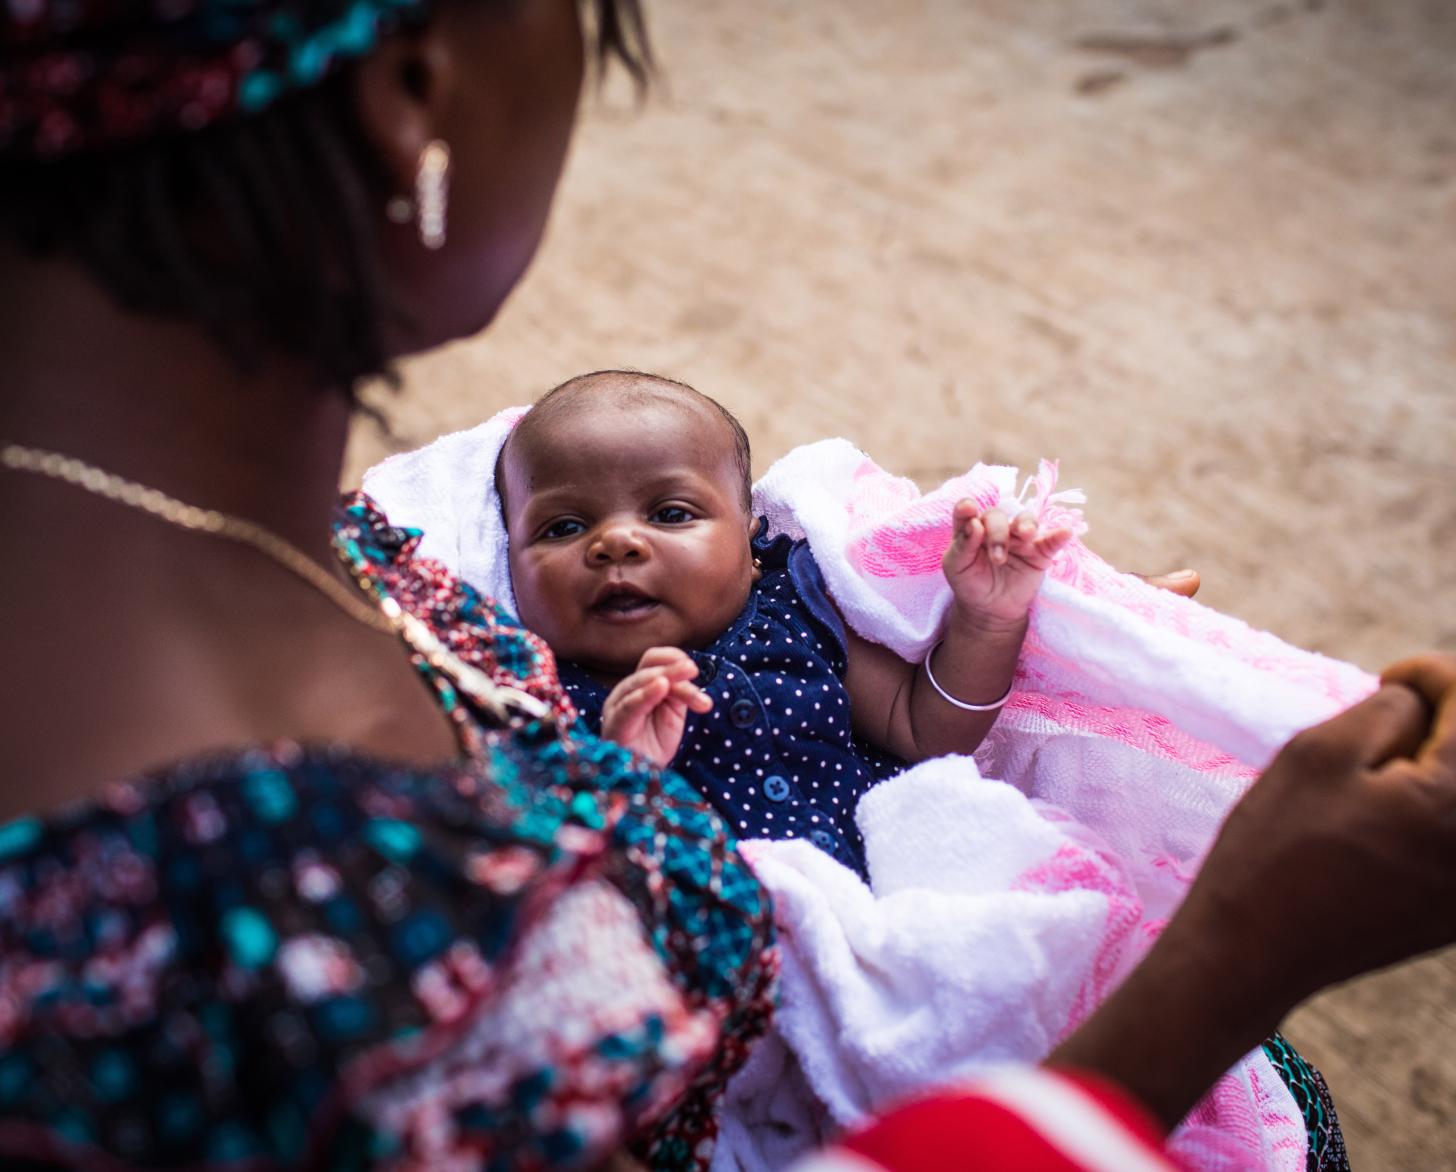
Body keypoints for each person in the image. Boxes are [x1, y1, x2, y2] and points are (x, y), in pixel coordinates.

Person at [1, 0, 1454, 1167]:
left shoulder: (270, 554)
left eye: (671, 510)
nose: (614, 548)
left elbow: (937, 713)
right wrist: (1243, 951)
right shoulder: (312, 900)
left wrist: (1023, 635)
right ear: (415, 93)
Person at [497, 369, 1072, 879]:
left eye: (671, 514)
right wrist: (621, 769)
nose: (615, 542)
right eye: (563, 528)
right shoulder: (532, 696)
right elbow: (534, 861)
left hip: (888, 892)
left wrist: (988, 620)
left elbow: (928, 732)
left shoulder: (794, 612)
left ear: (749, 535)